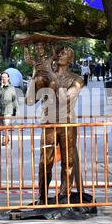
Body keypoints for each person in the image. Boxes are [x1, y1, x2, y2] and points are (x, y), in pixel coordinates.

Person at [25, 46, 83, 204]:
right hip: (48, 123)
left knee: (68, 162)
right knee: (45, 163)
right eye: (59, 52)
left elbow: (66, 98)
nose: (60, 55)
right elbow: (29, 101)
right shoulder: (44, 77)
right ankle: (42, 197)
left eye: (65, 53)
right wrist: (34, 75)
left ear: (71, 59)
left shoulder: (76, 79)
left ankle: (65, 196)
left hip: (67, 124)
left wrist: (50, 75)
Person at [0, 72, 18, 146]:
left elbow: (14, 98)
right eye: (2, 77)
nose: (4, 78)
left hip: (8, 109)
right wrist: (1, 87)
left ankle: (4, 139)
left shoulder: (11, 87)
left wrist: (16, 108)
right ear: (0, 79)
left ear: (8, 78)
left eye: (5, 77)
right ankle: (7, 137)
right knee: (2, 125)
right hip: (0, 109)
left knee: (6, 124)